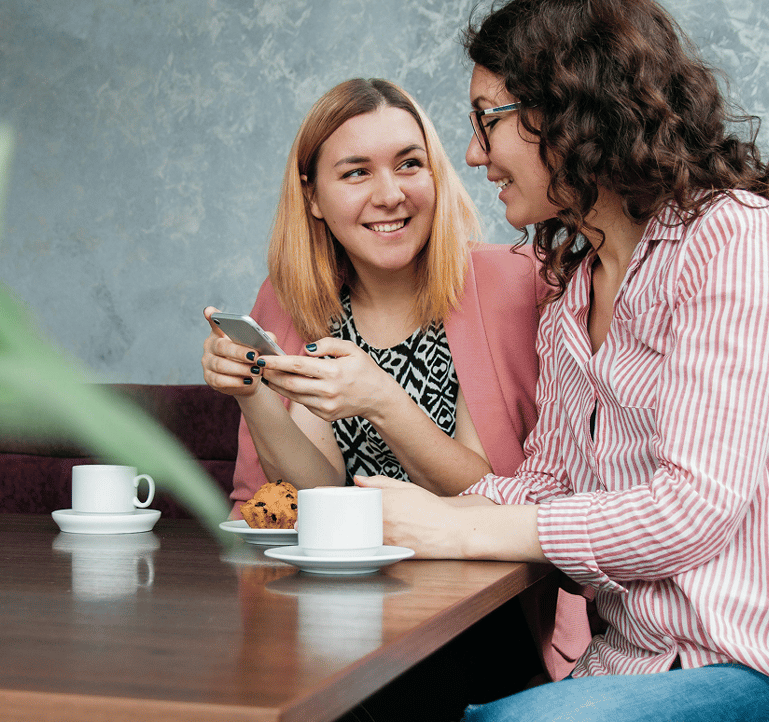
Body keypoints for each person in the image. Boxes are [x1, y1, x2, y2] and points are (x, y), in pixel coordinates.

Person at [359, 0, 769, 722]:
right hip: (640, 668)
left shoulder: (732, 237)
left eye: (488, 119)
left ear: (571, 110)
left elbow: (692, 509)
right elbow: (549, 490)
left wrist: (461, 527)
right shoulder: (570, 299)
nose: (472, 152)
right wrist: (396, 513)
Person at [200, 77, 592, 688]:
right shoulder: (289, 301)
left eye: (410, 165)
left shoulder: (514, 284)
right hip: (335, 614)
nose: (391, 195)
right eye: (356, 173)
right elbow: (315, 490)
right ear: (314, 198)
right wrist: (255, 398)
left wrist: (382, 400)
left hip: (491, 620)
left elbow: (498, 498)